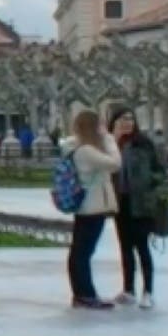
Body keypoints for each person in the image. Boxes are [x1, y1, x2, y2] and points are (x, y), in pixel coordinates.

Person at [108, 108, 164, 310]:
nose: (128, 123)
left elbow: (160, 171)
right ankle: (128, 289)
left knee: (142, 247)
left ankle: (148, 291)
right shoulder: (111, 144)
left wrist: (149, 182)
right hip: (119, 203)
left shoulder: (143, 144)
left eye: (131, 119)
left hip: (141, 203)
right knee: (125, 248)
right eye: (123, 119)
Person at [67, 110, 120, 309]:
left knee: (80, 251)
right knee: (83, 252)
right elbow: (115, 164)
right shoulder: (86, 151)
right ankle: (85, 294)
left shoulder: (79, 147)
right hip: (92, 207)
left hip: (87, 206)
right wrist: (110, 140)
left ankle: (82, 293)